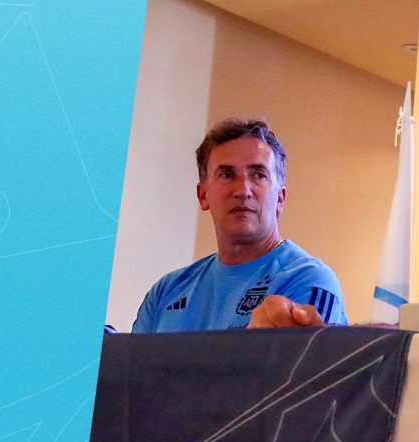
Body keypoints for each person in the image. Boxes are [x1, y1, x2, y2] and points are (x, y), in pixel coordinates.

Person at [131, 118, 347, 332]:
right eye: (227, 175)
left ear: (280, 198)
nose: (243, 190)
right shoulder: (165, 292)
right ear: (203, 195)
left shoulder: (308, 280)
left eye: (259, 175)